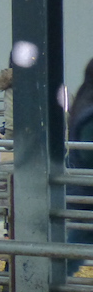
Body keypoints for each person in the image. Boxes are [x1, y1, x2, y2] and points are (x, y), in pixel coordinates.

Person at [66, 57, 93, 274]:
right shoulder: (89, 115)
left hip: (82, 191)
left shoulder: (84, 103)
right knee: (73, 249)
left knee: (73, 249)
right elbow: (87, 155)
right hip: (86, 193)